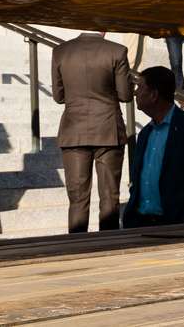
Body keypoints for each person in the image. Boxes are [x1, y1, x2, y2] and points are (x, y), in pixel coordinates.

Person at [51, 30, 132, 233]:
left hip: (74, 130)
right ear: (103, 28)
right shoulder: (117, 51)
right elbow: (124, 94)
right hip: (108, 130)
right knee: (110, 195)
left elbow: (58, 96)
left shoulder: (61, 51)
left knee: (77, 198)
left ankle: (77, 246)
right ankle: (108, 245)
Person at [121, 66, 184, 227]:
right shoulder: (145, 133)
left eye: (140, 87)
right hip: (141, 224)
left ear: (154, 95)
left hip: (180, 226)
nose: (136, 92)